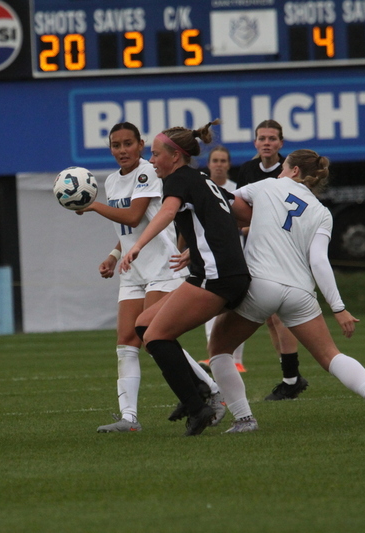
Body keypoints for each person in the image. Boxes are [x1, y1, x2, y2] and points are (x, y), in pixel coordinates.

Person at [206, 149, 365, 431]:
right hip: (299, 291)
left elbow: (226, 202)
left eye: (283, 168)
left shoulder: (268, 184)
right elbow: (318, 261)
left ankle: (244, 418)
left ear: (294, 171)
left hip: (262, 284)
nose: (279, 171)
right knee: (331, 355)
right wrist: (338, 307)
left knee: (219, 349)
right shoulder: (321, 212)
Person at [76, 121, 227, 433]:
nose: (122, 150)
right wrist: (114, 254)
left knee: (152, 336)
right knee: (126, 342)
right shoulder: (112, 181)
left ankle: (211, 391)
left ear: (141, 145)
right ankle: (129, 419)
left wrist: (93, 207)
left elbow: (133, 215)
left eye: (127, 144)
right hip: (134, 270)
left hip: (162, 266)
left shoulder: (147, 172)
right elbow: (131, 228)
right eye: (115, 145)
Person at [119, 120, 251, 436]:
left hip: (217, 279)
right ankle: (198, 394)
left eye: (155, 154)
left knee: (155, 337)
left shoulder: (178, 180)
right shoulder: (202, 180)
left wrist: (136, 245)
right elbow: (241, 215)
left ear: (175, 156)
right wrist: (198, 249)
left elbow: (166, 213)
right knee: (143, 325)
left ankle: (198, 407)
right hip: (222, 273)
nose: (151, 161)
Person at [236, 120, 308, 401]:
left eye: (272, 138)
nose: (266, 142)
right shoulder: (247, 171)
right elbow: (240, 209)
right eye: (262, 138)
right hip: (254, 245)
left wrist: (258, 225)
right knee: (269, 317)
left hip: (281, 247)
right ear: (255, 142)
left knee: (279, 314)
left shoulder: (289, 171)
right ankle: (288, 374)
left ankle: (291, 378)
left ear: (280, 143)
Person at [200, 146, 248, 373]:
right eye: (215, 160)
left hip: (231, 255)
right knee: (206, 306)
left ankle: (236, 358)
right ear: (209, 164)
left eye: (222, 161)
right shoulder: (200, 188)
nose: (218, 164)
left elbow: (248, 220)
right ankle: (214, 353)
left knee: (233, 307)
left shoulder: (237, 191)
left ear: (228, 165)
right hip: (204, 255)